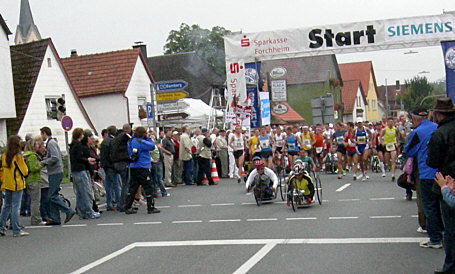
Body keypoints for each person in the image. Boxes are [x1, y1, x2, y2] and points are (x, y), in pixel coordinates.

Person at [405, 106, 442, 250]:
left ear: (414, 118)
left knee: (430, 206)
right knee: (442, 205)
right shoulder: (437, 127)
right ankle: (444, 235)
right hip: (441, 173)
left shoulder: (418, 132)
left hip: (426, 173)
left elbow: (409, 150)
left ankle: (434, 239)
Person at [426, 98, 455, 274]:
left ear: (437, 114)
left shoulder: (440, 133)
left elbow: (432, 161)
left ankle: (450, 268)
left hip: (448, 181)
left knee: (451, 231)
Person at [40, 127, 75, 225]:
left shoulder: (50, 143)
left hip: (55, 172)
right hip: (54, 171)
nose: (41, 136)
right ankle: (55, 218)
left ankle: (68, 210)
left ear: (44, 133)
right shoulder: (52, 143)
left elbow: (55, 157)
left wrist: (44, 162)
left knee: (52, 195)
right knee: (52, 195)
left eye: (41, 134)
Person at [124, 127, 160, 214]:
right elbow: (152, 146)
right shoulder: (141, 142)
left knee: (133, 187)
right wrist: (148, 138)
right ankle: (150, 207)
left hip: (133, 166)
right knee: (148, 187)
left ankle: (128, 206)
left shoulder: (130, 141)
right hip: (143, 166)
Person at [0, 136, 29, 237]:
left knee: (6, 206)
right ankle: (16, 230)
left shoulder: (4, 155)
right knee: (16, 207)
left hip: (7, 183)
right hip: (17, 184)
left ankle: (1, 227)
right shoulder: (17, 157)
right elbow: (25, 171)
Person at [70, 128, 100, 219]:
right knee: (86, 192)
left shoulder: (72, 145)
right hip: (80, 170)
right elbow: (79, 157)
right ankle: (88, 211)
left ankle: (81, 211)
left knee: (80, 193)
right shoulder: (78, 145)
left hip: (75, 170)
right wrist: (87, 160)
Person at [23, 137, 46, 225]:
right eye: (36, 144)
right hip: (34, 179)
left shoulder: (26, 155)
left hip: (29, 180)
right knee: (35, 200)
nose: (38, 146)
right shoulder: (32, 156)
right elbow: (33, 168)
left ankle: (35, 218)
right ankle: (36, 218)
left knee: (33, 200)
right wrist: (41, 165)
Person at [110, 124, 132, 211]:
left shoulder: (115, 137)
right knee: (125, 183)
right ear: (128, 130)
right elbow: (132, 141)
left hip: (115, 163)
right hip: (123, 161)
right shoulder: (125, 135)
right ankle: (123, 204)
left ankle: (118, 203)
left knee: (116, 185)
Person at [100, 125, 121, 211]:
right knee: (116, 185)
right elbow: (113, 154)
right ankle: (119, 203)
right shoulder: (113, 141)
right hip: (111, 165)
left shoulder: (104, 141)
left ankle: (109, 203)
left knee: (108, 185)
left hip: (105, 165)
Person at [381, 117, 399, 182]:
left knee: (393, 160)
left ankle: (393, 174)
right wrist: (382, 142)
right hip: (387, 145)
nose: (391, 123)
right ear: (387, 123)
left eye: (392, 122)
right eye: (389, 122)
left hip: (393, 145)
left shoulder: (395, 129)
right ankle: (388, 165)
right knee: (387, 160)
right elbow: (380, 137)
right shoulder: (384, 130)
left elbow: (397, 136)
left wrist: (397, 142)